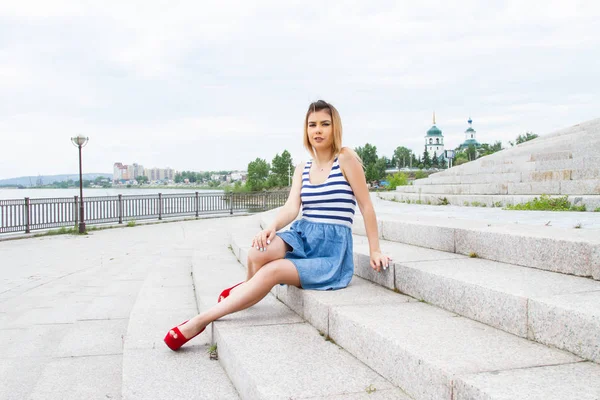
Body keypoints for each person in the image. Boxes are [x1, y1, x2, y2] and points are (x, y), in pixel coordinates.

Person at [164, 100, 391, 350]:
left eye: (325, 124)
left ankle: (199, 321)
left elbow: (366, 206)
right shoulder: (302, 168)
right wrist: (272, 227)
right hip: (304, 234)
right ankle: (248, 290)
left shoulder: (346, 159)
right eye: (312, 125)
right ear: (306, 130)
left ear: (335, 127)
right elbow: (292, 207)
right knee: (257, 251)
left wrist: (375, 250)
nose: (318, 130)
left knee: (271, 272)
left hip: (331, 251)